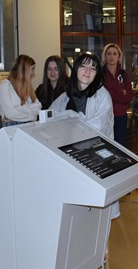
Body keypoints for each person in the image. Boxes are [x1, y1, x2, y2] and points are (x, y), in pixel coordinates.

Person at [50, 53, 120, 218]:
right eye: (84, 66)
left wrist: (71, 117)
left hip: (94, 158)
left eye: (93, 68)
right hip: (70, 157)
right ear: (76, 69)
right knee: (74, 210)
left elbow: (98, 128)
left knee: (97, 212)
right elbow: (50, 119)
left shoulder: (102, 96)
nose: (88, 71)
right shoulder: (65, 96)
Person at [102, 43, 134, 146]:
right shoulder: (100, 74)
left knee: (119, 146)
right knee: (105, 146)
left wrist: (109, 92)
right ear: (105, 56)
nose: (111, 56)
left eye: (115, 54)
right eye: (109, 53)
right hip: (104, 116)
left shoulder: (124, 74)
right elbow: (100, 95)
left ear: (119, 57)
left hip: (120, 117)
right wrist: (120, 92)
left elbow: (129, 97)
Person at [0, 55, 42, 126]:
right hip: (12, 128)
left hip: (28, 126)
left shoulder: (28, 87)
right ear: (24, 70)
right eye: (32, 69)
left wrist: (19, 109)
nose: (34, 73)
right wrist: (32, 116)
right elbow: (10, 114)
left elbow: (38, 107)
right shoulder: (5, 86)